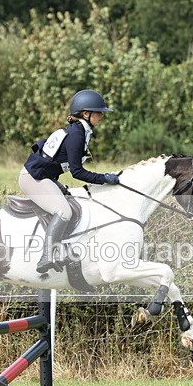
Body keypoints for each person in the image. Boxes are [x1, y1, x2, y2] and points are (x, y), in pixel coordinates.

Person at [19, 89, 120, 274]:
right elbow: (77, 172)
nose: (102, 116)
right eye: (98, 112)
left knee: (72, 200)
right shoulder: (76, 134)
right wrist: (104, 178)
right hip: (33, 178)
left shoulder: (81, 131)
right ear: (85, 114)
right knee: (64, 211)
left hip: (44, 177)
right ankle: (47, 256)